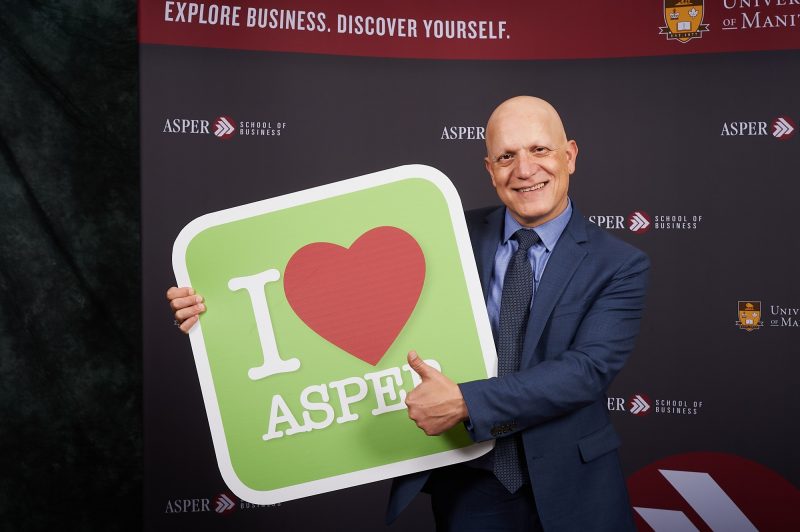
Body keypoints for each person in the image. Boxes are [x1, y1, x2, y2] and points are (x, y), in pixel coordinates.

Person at [168, 96, 649, 531]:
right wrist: (216, 307)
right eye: (506, 156)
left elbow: (585, 372)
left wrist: (467, 401)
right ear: (489, 168)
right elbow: (316, 288)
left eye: (539, 150)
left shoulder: (619, 264)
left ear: (569, 155)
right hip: (469, 481)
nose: (524, 169)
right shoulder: (440, 229)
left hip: (573, 484)